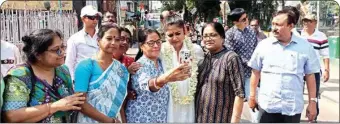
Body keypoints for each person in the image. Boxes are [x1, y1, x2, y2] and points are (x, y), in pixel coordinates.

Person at [247, 9, 320, 123]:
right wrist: (252, 97)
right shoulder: (263, 46)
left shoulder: (305, 47)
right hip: (268, 107)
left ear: (291, 26)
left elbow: (311, 76)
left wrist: (312, 102)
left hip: (292, 108)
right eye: (273, 24)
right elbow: (255, 72)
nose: (274, 28)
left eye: (279, 25)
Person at [2, 29, 85, 123]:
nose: (62, 52)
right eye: (56, 50)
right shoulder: (20, 76)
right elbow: (12, 116)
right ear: (38, 55)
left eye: (62, 47)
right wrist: (53, 107)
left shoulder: (63, 70)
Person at [125, 29, 191, 123]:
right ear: (142, 46)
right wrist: (166, 78)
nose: (156, 46)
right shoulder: (139, 65)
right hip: (141, 118)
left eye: (158, 42)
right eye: (151, 43)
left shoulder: (161, 62)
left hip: (160, 117)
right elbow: (148, 85)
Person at [74, 25, 129, 123]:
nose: (113, 43)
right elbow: (80, 103)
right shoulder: (86, 66)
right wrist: (108, 121)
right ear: (98, 40)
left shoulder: (120, 68)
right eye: (109, 38)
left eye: (117, 39)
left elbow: (117, 101)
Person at [195, 22, 245, 123]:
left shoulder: (231, 58)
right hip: (201, 117)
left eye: (213, 35)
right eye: (205, 36)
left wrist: (235, 121)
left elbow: (240, 93)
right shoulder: (204, 57)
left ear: (222, 37)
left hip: (221, 118)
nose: (208, 39)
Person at [161, 14, 204, 123]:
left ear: (184, 31)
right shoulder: (161, 51)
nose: (175, 38)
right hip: (170, 99)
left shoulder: (195, 50)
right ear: (165, 35)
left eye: (178, 33)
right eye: (170, 35)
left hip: (189, 97)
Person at [225, 8, 259, 123]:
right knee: (232, 101)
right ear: (235, 22)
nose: (246, 21)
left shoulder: (252, 32)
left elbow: (256, 50)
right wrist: (247, 62)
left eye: (247, 18)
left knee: (253, 99)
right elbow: (230, 54)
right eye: (243, 19)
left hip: (250, 74)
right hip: (234, 75)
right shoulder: (230, 34)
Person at [300, 13, 330, 122]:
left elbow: (326, 55)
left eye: (309, 21)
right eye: (304, 21)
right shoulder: (298, 34)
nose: (306, 23)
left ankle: (313, 118)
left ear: (315, 23)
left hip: (314, 71)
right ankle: (295, 117)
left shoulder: (321, 36)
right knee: (297, 95)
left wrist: (327, 70)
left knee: (314, 96)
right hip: (299, 71)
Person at [65, 5, 102, 79]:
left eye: (97, 17)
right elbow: (69, 63)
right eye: (92, 17)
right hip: (81, 78)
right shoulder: (74, 39)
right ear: (83, 18)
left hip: (99, 78)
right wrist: (72, 81)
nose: (95, 20)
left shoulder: (102, 37)